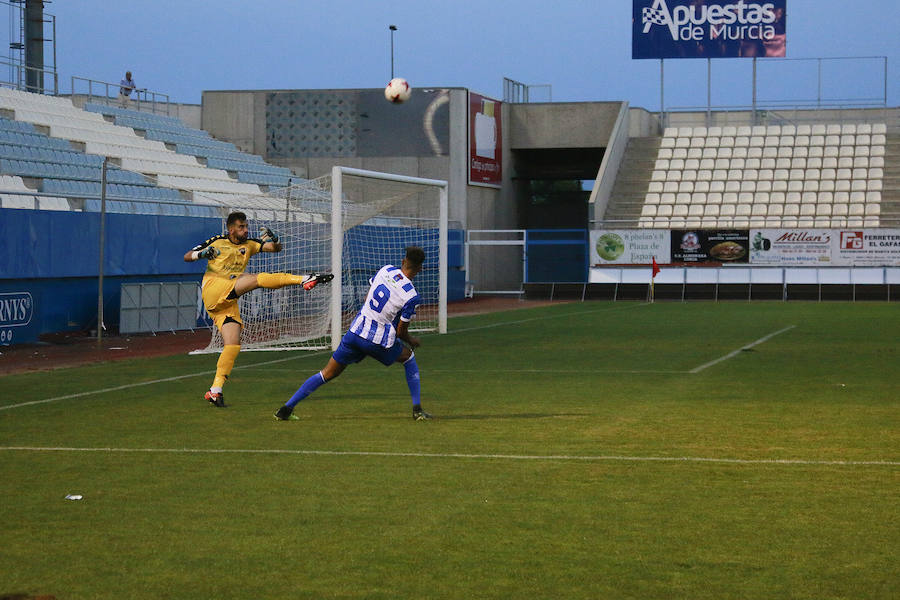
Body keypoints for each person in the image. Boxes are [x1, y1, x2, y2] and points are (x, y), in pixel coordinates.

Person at [184, 211, 333, 407]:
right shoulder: (217, 242)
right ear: (231, 229)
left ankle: (215, 390)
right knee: (256, 278)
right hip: (214, 290)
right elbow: (188, 256)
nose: (245, 230)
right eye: (241, 227)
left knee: (233, 344)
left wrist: (276, 239)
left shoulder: (250, 245)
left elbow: (274, 248)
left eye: (246, 226)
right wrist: (202, 254)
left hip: (226, 304)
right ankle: (305, 279)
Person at [274, 246, 432, 422]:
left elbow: (367, 298)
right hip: (376, 340)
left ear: (403, 261)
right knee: (408, 357)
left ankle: (286, 408)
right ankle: (417, 410)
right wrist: (412, 340)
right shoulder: (411, 295)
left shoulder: (386, 269)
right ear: (420, 268)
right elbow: (402, 331)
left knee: (327, 373)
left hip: (355, 331)